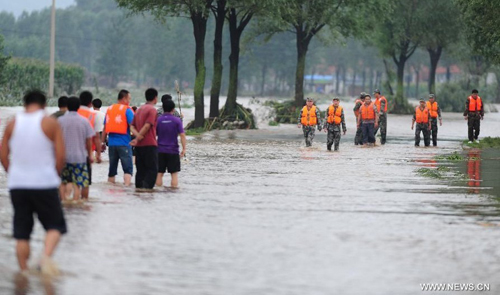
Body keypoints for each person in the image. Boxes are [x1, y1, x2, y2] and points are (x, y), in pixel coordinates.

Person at [0, 90, 67, 274]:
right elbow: (61, 156)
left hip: (18, 185)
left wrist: (12, 173)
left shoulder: (12, 123)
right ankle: (43, 259)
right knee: (55, 226)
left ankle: (23, 274)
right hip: (44, 183)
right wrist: (55, 176)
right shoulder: (49, 123)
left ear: (24, 104)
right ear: (44, 105)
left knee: (22, 233)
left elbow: (3, 155)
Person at [58, 97, 95, 201]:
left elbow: (56, 140)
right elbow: (89, 141)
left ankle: (63, 202)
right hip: (79, 158)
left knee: (63, 182)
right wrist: (90, 155)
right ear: (78, 107)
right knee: (77, 184)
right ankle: (75, 202)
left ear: (67, 106)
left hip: (63, 157)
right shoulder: (84, 121)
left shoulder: (60, 121)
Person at [102, 90, 134, 186]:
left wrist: (102, 143)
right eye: (129, 99)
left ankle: (111, 189)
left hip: (111, 145)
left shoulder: (110, 109)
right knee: (127, 170)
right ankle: (127, 188)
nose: (129, 101)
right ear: (124, 99)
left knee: (112, 170)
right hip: (124, 144)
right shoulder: (127, 110)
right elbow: (133, 126)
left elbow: (104, 129)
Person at [130, 88, 159, 189]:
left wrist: (137, 136)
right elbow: (147, 126)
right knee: (152, 170)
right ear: (155, 98)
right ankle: (147, 191)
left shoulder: (139, 109)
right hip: (149, 144)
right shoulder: (152, 110)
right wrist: (139, 137)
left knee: (140, 170)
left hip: (139, 146)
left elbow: (131, 126)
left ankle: (139, 191)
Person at [156, 99, 186, 188]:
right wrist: (184, 149)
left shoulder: (158, 120)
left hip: (160, 150)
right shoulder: (177, 121)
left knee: (159, 173)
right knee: (174, 174)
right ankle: (173, 194)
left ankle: (157, 191)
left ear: (163, 108)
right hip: (173, 151)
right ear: (173, 109)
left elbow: (154, 134)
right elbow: (182, 135)